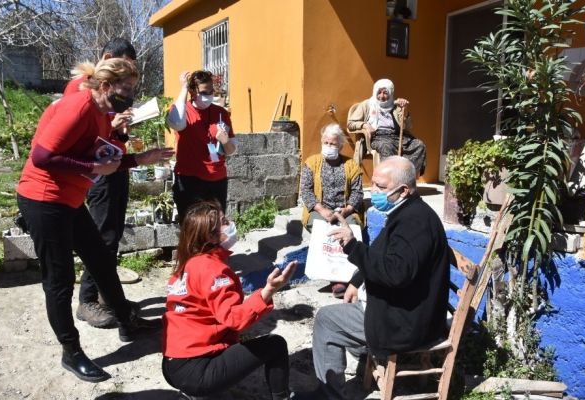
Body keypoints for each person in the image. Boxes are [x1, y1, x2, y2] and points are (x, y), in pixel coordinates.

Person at [16, 58, 162, 383]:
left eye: (134, 90)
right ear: (106, 86)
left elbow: (101, 157)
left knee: (100, 259)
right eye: (126, 89)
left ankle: (127, 320)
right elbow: (42, 156)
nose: (131, 95)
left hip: (69, 198)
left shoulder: (101, 112)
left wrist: (140, 159)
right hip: (43, 199)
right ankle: (71, 352)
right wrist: (94, 168)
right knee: (59, 280)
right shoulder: (79, 106)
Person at [302, 156, 450, 399]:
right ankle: (361, 354)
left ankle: (330, 395)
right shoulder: (405, 212)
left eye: (381, 187)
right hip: (403, 307)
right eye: (374, 184)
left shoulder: (414, 223)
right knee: (339, 316)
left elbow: (394, 273)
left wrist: (351, 246)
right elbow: (382, 254)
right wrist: (357, 281)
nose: (375, 192)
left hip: (407, 322)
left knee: (327, 320)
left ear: (403, 190)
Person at [67, 38, 173, 329]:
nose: (127, 87)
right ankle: (87, 300)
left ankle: (107, 298)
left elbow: (110, 139)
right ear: (108, 59)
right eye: (125, 70)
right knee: (101, 238)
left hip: (117, 166)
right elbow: (78, 141)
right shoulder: (82, 90)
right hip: (98, 172)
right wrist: (110, 128)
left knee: (111, 237)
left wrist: (122, 132)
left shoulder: (110, 97)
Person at [161, 201, 298, 400]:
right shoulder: (213, 269)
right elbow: (234, 319)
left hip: (172, 364)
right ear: (210, 236)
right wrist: (268, 290)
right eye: (225, 222)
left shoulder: (188, 264)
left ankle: (195, 391)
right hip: (195, 371)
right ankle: (283, 397)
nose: (231, 223)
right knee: (275, 345)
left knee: (235, 342)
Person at [300, 122, 364, 298]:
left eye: (333, 143)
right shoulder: (311, 162)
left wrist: (347, 210)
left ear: (340, 145)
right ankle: (334, 278)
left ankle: (346, 277)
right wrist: (321, 210)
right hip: (319, 210)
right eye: (326, 143)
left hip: (345, 211)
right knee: (324, 230)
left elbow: (358, 192)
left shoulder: (351, 165)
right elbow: (305, 190)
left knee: (350, 230)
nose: (329, 146)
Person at [167, 70, 236, 223]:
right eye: (205, 92)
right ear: (193, 91)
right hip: (190, 180)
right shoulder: (182, 110)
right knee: (192, 230)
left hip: (217, 180)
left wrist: (225, 141)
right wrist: (184, 88)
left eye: (211, 91)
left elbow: (231, 150)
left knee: (215, 229)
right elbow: (176, 123)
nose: (209, 95)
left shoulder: (221, 113)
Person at [347, 79, 426, 176]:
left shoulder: (396, 105)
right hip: (378, 136)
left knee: (419, 145)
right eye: (379, 92)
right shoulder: (367, 105)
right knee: (386, 147)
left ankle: (407, 176)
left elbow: (408, 126)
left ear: (391, 93)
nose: (382, 96)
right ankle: (388, 178)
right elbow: (350, 123)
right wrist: (365, 125)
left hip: (396, 136)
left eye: (385, 93)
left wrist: (404, 110)